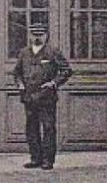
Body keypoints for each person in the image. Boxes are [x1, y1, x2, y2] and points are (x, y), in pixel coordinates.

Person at [12, 23, 73, 169]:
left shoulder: (53, 52)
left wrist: (53, 83)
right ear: (30, 36)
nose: (37, 38)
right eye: (34, 35)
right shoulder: (24, 53)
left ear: (46, 36)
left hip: (46, 97)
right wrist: (19, 83)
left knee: (48, 128)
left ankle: (48, 160)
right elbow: (17, 72)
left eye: (40, 35)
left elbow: (66, 71)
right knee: (31, 129)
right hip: (29, 97)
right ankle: (35, 158)